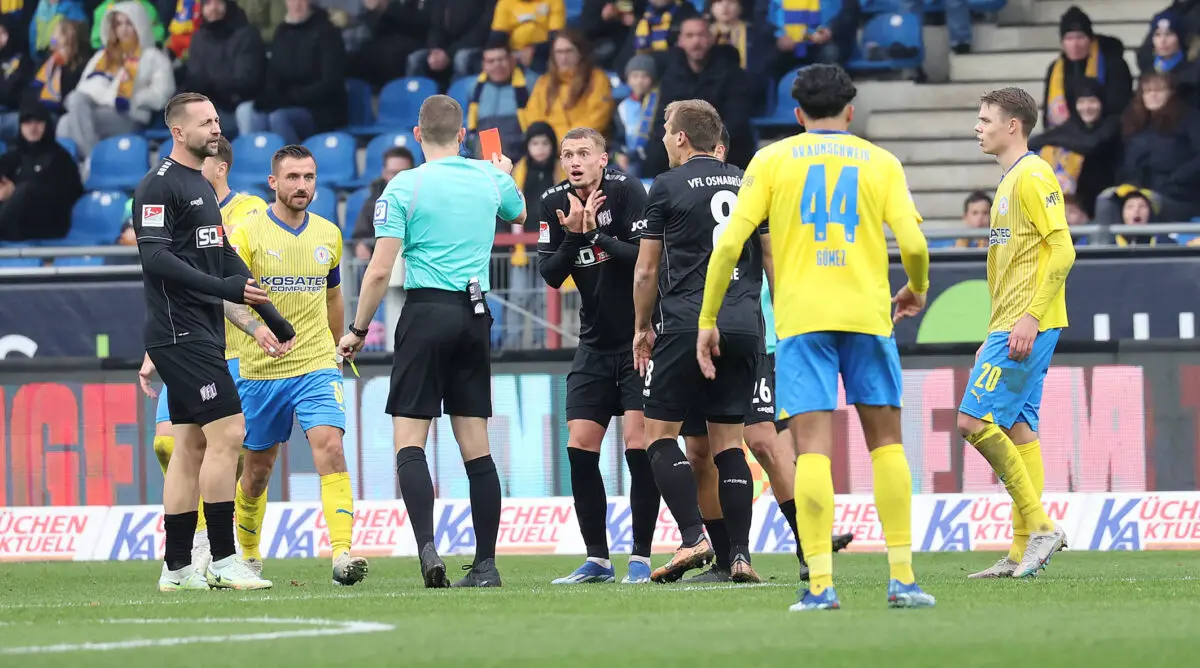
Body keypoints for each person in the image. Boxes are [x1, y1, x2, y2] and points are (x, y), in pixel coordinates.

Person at [699, 64, 935, 611]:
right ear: (850, 111)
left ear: (797, 114)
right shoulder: (881, 162)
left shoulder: (772, 160)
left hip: (802, 322)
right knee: (887, 446)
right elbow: (915, 246)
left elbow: (730, 244)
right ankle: (902, 579)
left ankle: (822, 586)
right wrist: (917, 288)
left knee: (812, 454)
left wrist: (708, 318)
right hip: (868, 316)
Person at [338, 95, 525, 589]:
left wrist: (358, 329)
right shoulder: (488, 177)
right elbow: (520, 211)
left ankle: (427, 548)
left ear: (417, 135)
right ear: (463, 135)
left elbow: (380, 270)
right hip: (475, 314)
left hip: (425, 311)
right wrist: (504, 172)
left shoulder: (405, 185)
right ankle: (486, 565)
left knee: (409, 441)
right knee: (476, 447)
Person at [134, 91, 293, 592]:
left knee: (191, 445)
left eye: (217, 120)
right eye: (205, 122)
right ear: (178, 131)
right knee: (228, 433)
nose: (216, 128)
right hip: (178, 331)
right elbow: (156, 259)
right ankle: (223, 559)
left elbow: (221, 254)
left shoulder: (200, 185)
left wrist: (271, 317)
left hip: (200, 329)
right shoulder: (158, 185)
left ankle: (177, 568)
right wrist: (224, 289)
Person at [681, 124, 853, 584]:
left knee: (762, 440)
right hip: (703, 334)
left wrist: (788, 322)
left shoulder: (760, 198)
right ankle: (728, 557)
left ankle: (808, 545)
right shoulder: (688, 196)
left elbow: (779, 261)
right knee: (700, 451)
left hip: (759, 338)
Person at [632, 99, 763, 583]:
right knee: (729, 444)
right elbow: (769, 256)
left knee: (657, 435)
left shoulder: (666, 185)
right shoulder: (748, 181)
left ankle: (693, 537)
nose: (664, 139)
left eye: (667, 131)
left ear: (683, 138)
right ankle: (739, 557)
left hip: (686, 321)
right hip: (744, 323)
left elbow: (646, 270)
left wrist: (641, 327)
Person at [228, 145, 368, 587]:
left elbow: (333, 296)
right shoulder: (247, 234)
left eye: (308, 177)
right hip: (260, 369)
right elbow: (227, 298)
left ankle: (342, 555)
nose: (301, 185)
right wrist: (256, 330)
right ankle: (249, 556)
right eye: (292, 177)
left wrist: (336, 345)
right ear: (273, 182)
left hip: (315, 362)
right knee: (257, 471)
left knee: (331, 446)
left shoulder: (328, 234)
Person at [536, 126, 656, 586]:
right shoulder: (554, 202)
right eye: (567, 154)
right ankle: (598, 560)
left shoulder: (628, 192)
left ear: (603, 159)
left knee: (638, 446)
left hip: (638, 340)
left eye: (584, 153)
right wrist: (574, 235)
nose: (574, 161)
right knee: (580, 446)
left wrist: (596, 236)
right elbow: (550, 274)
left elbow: (645, 260)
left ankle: (640, 558)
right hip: (593, 344)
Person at [963, 87, 1075, 579]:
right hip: (1011, 321)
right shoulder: (1010, 179)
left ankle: (1041, 526)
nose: (977, 127)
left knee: (972, 422)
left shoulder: (1033, 174)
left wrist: (1029, 316)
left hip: (1026, 322)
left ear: (1013, 126)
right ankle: (1019, 551)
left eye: (985, 119)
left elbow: (1064, 250)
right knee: (1018, 429)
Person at [57, 2, 175, 157]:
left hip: (128, 114)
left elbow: (163, 94)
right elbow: (83, 86)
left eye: (129, 23)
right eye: (119, 24)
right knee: (69, 114)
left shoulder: (154, 57)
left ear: (140, 24)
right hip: (95, 109)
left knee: (67, 123)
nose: (123, 29)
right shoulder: (102, 56)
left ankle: (92, 159)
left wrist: (135, 97)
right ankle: (90, 159)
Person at [0, 104, 82, 242]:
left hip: (48, 223)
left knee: (26, 190)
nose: (32, 128)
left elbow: (67, 195)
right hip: (14, 222)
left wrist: (14, 192)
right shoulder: (13, 155)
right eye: (27, 123)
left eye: (38, 122)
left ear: (47, 125)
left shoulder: (60, 157)